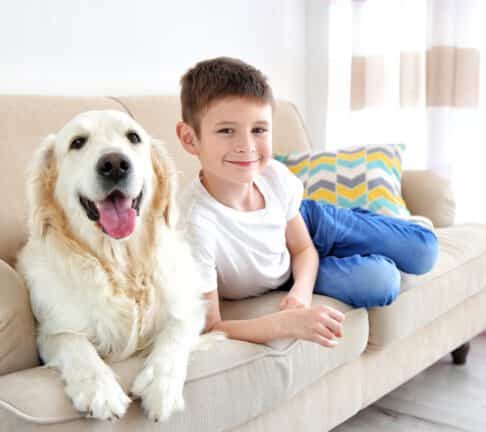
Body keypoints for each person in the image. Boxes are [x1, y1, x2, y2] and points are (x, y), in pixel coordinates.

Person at [176, 57, 438, 348]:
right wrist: (284, 320)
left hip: (313, 224)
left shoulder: (273, 176)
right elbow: (210, 326)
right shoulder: (194, 223)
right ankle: (370, 242)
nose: (247, 145)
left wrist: (301, 293)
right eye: (227, 130)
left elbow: (303, 248)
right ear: (190, 139)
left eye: (259, 130)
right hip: (282, 271)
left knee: (424, 250)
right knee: (382, 282)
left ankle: (378, 224)